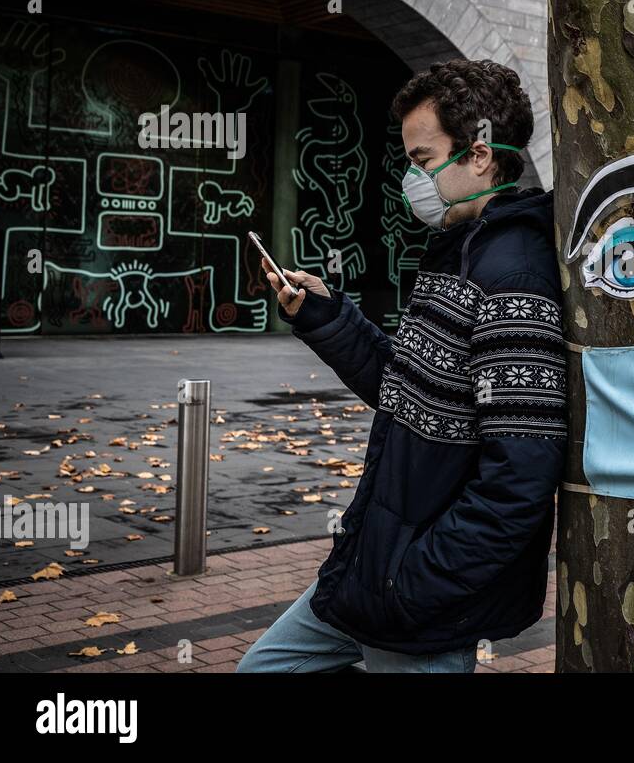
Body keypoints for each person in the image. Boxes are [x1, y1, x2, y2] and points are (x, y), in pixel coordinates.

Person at [237, 59, 567, 673]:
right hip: (371, 565)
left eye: (421, 160)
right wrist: (326, 316)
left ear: (480, 154)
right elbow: (407, 391)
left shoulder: (514, 277)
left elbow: (519, 478)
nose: (411, 177)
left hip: (417, 601)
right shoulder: (457, 251)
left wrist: (412, 584)